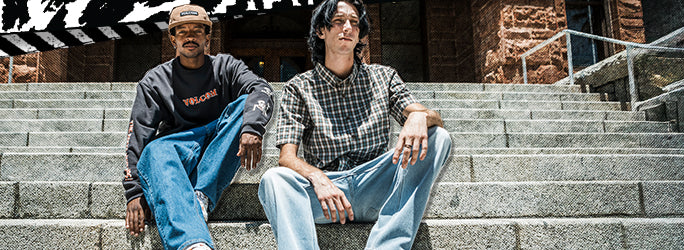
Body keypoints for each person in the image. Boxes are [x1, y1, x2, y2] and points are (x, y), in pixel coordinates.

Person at [257, 0, 453, 249]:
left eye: (354, 22)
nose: (347, 27)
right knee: (274, 179)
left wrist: (419, 116)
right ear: (321, 31)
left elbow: (431, 116)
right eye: (338, 21)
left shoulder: (384, 77)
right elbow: (286, 158)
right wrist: (316, 176)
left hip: (377, 187)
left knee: (439, 137)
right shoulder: (299, 87)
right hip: (328, 195)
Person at [121, 4, 274, 250]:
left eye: (197, 31)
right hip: (177, 149)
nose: (190, 37)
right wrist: (135, 192)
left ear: (207, 37)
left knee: (246, 104)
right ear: (172, 38)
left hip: (218, 147)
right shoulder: (155, 81)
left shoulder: (226, 67)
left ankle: (200, 196)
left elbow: (262, 89)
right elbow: (138, 137)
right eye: (182, 32)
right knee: (154, 151)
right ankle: (194, 245)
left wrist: (252, 128)